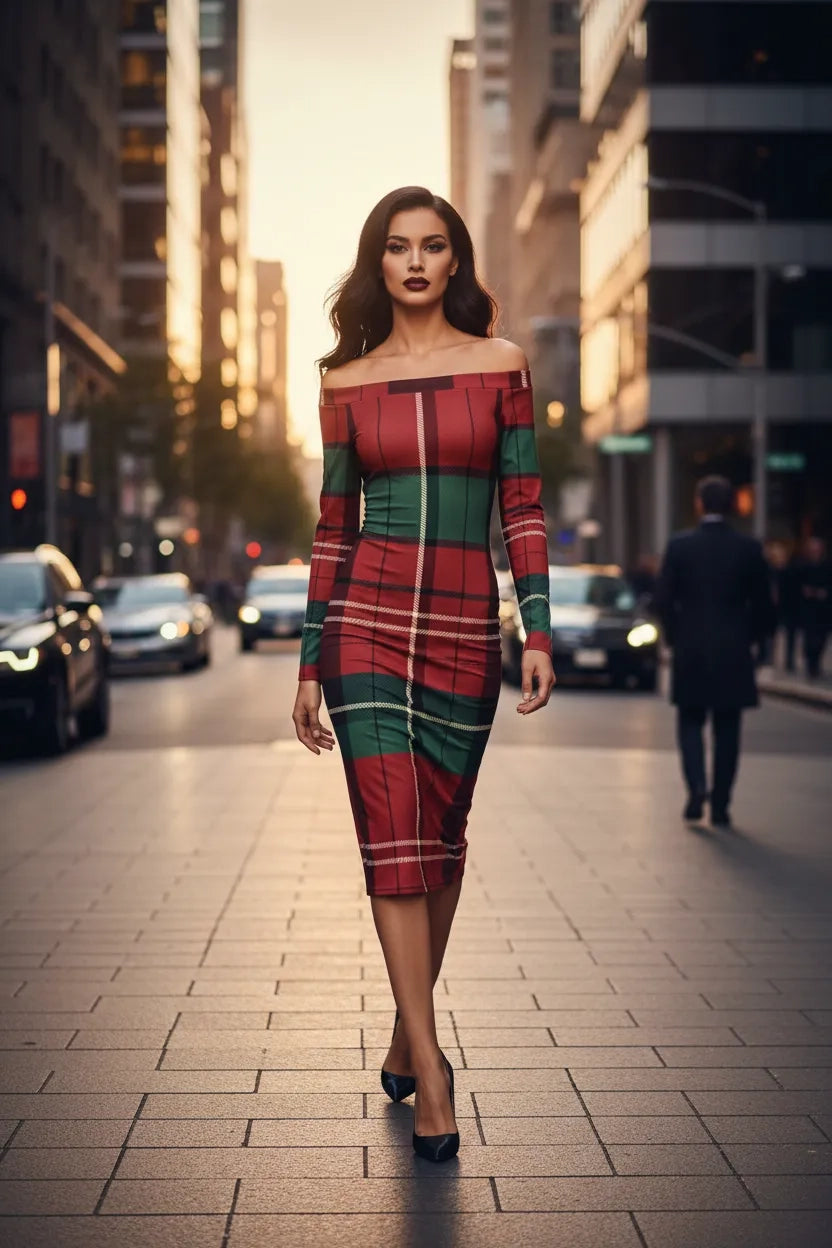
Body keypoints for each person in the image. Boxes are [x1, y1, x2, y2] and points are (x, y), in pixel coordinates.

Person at [291, 187, 554, 1163]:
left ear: (455, 262)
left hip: (459, 626)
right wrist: (310, 659)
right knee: (390, 833)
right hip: (366, 621)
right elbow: (331, 528)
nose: (413, 262)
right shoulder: (343, 382)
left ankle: (406, 1028)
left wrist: (537, 625)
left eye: (431, 246)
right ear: (378, 263)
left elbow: (521, 504)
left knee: (440, 834)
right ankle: (432, 1071)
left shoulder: (500, 368)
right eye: (396, 247)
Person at [654, 476, 774, 830]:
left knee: (690, 722)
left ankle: (696, 787)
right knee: (728, 729)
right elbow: (765, 606)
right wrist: (750, 638)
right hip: (734, 650)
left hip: (691, 648)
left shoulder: (679, 547)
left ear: (699, 503)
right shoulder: (749, 549)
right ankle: (721, 803)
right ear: (732, 505)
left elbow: (663, 600)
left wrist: (676, 636)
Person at [797, 536, 831, 679]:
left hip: (823, 609)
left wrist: (824, 593)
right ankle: (811, 665)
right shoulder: (804, 566)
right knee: (810, 639)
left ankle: (816, 664)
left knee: (821, 638)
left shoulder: (827, 566)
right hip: (809, 609)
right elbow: (796, 585)